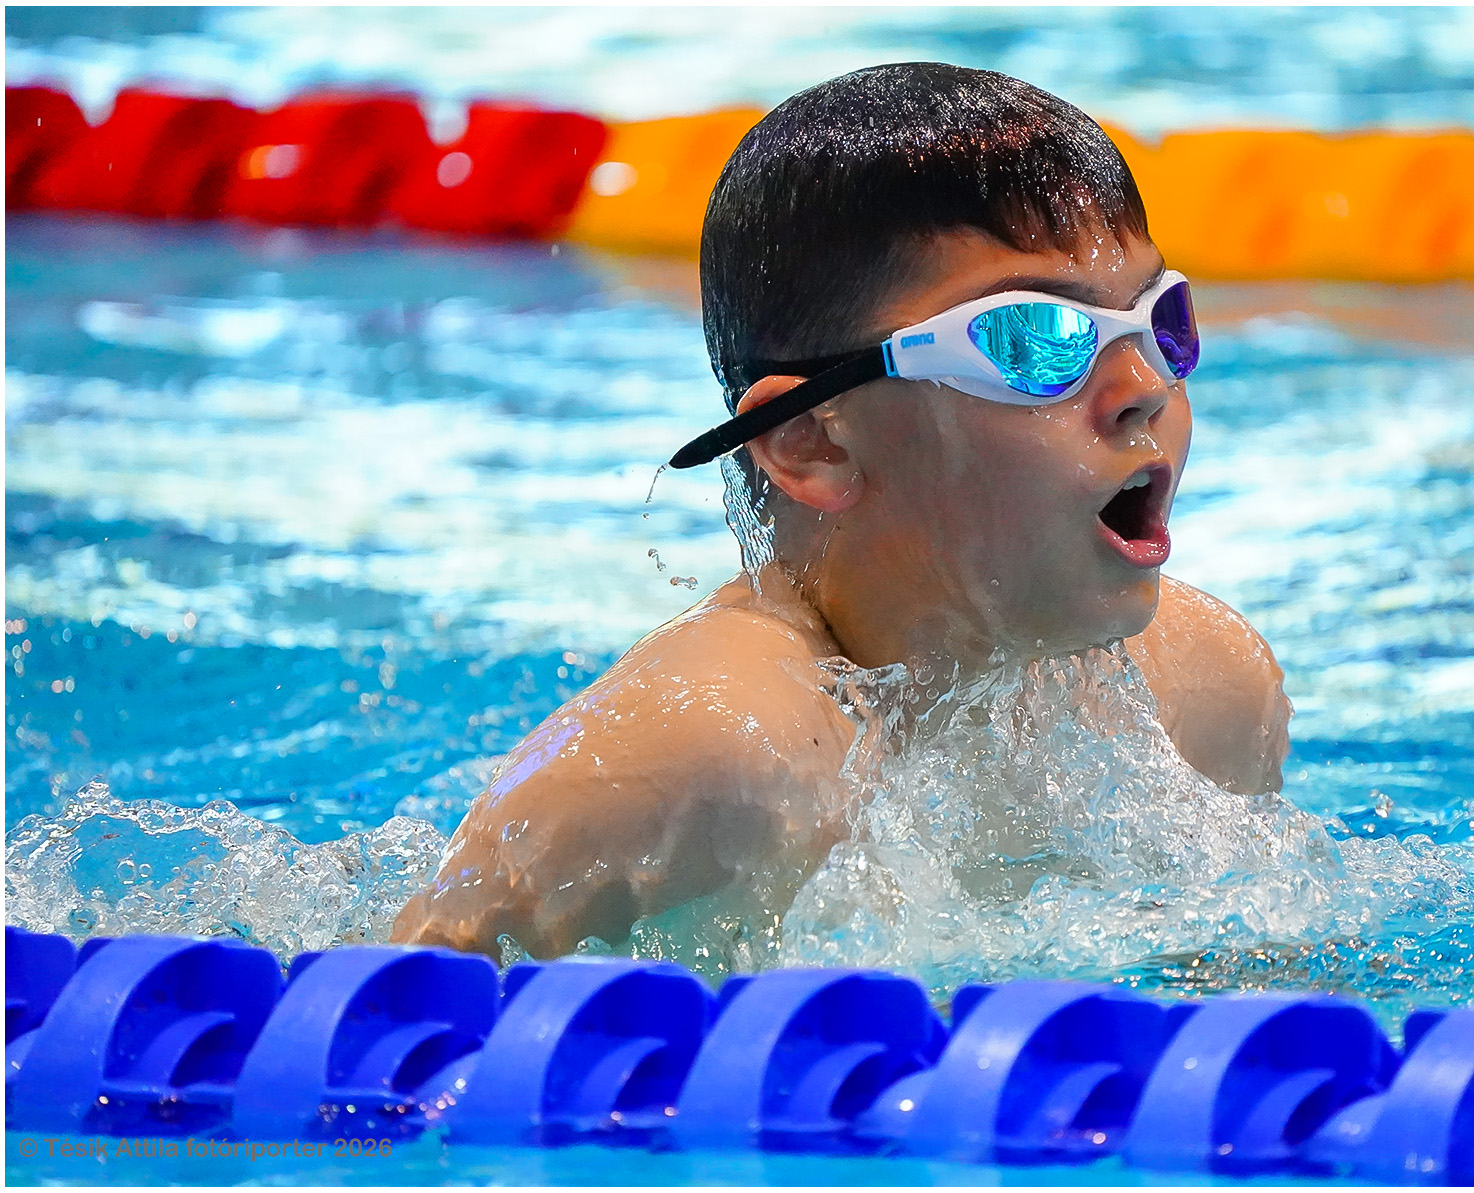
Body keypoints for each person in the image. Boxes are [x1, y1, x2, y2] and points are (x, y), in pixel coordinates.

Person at [392, 62, 1291, 960]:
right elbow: (387, 1021)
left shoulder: (1204, 691)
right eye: (1036, 338)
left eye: (1159, 321)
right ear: (810, 442)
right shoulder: (703, 756)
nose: (1144, 389)